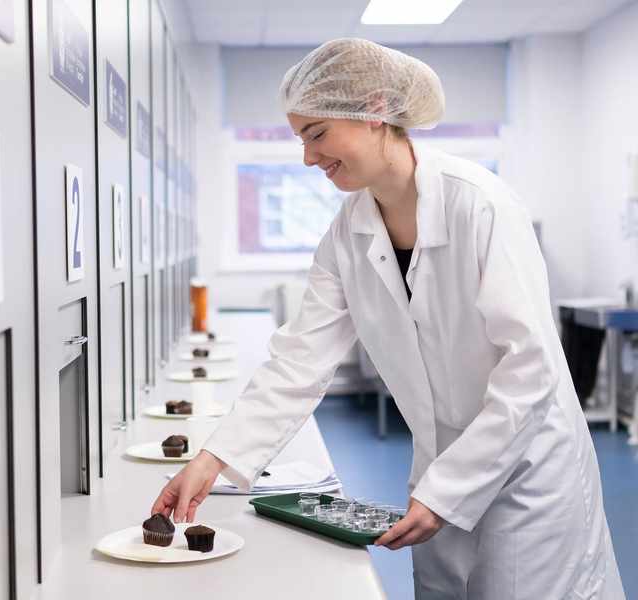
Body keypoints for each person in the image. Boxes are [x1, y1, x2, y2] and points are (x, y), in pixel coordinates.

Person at [151, 38, 625, 599]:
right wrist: (213, 459)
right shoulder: (345, 235)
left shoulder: (480, 206)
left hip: (526, 474)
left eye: (317, 134)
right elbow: (299, 361)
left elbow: (530, 371)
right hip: (436, 465)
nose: (308, 157)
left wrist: (449, 490)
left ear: (375, 110)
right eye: (301, 138)